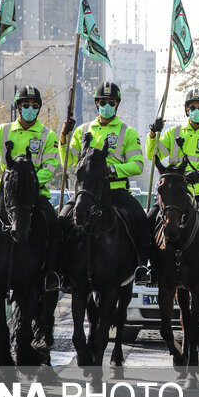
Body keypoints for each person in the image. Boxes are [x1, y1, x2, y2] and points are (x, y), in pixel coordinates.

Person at [0, 85, 61, 288]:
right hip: (5, 194)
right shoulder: (2, 131)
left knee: (55, 226)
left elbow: (51, 167)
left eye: (34, 105)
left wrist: (29, 183)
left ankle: (53, 271)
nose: (30, 109)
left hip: (35, 195)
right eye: (26, 105)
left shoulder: (47, 136)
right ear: (18, 107)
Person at [58, 82, 151, 284]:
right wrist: (64, 137)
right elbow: (67, 162)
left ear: (116, 104)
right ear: (97, 104)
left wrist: (113, 170)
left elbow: (137, 165)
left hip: (116, 191)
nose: (106, 105)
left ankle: (142, 267)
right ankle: (59, 271)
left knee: (141, 220)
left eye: (110, 102)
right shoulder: (83, 130)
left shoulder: (128, 132)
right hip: (87, 192)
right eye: (102, 102)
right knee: (62, 220)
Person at [146, 88, 199, 277]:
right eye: (192, 107)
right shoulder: (172, 133)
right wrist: (153, 134)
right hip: (176, 193)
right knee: (148, 220)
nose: (196, 110)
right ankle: (148, 267)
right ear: (186, 110)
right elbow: (154, 154)